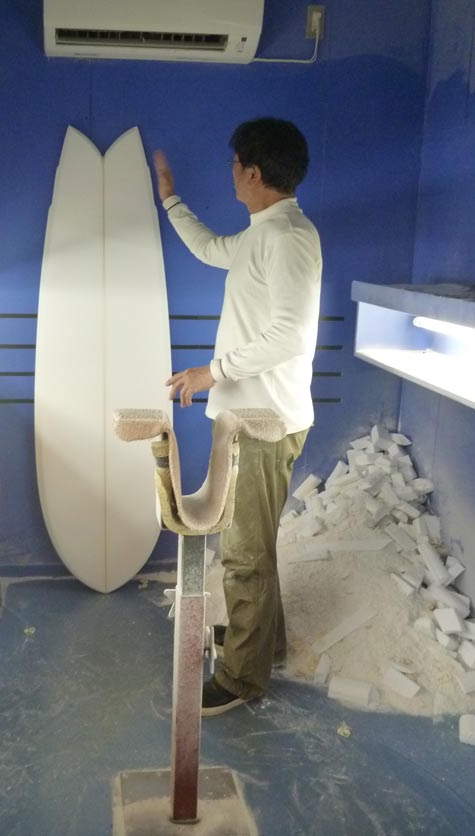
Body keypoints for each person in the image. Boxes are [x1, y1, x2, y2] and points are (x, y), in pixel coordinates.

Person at [153, 118, 322, 716]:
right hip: (249, 417)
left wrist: (213, 372)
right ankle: (264, 643)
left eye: (233, 164)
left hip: (264, 422)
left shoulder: (289, 238)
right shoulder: (262, 233)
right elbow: (207, 248)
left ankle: (242, 679)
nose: (230, 172)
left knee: (246, 553)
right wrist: (170, 198)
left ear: (252, 172)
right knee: (252, 546)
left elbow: (290, 334)